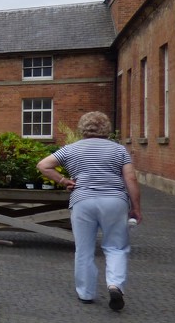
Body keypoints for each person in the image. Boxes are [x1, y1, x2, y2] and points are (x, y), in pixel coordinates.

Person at [37, 111, 142, 311]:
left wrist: (63, 180)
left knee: (84, 248)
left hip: (82, 200)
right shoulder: (119, 150)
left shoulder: (71, 149)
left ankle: (86, 293)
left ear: (82, 129)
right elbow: (131, 179)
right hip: (114, 201)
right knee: (116, 247)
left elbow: (43, 165)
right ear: (106, 129)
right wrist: (136, 207)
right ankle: (115, 285)